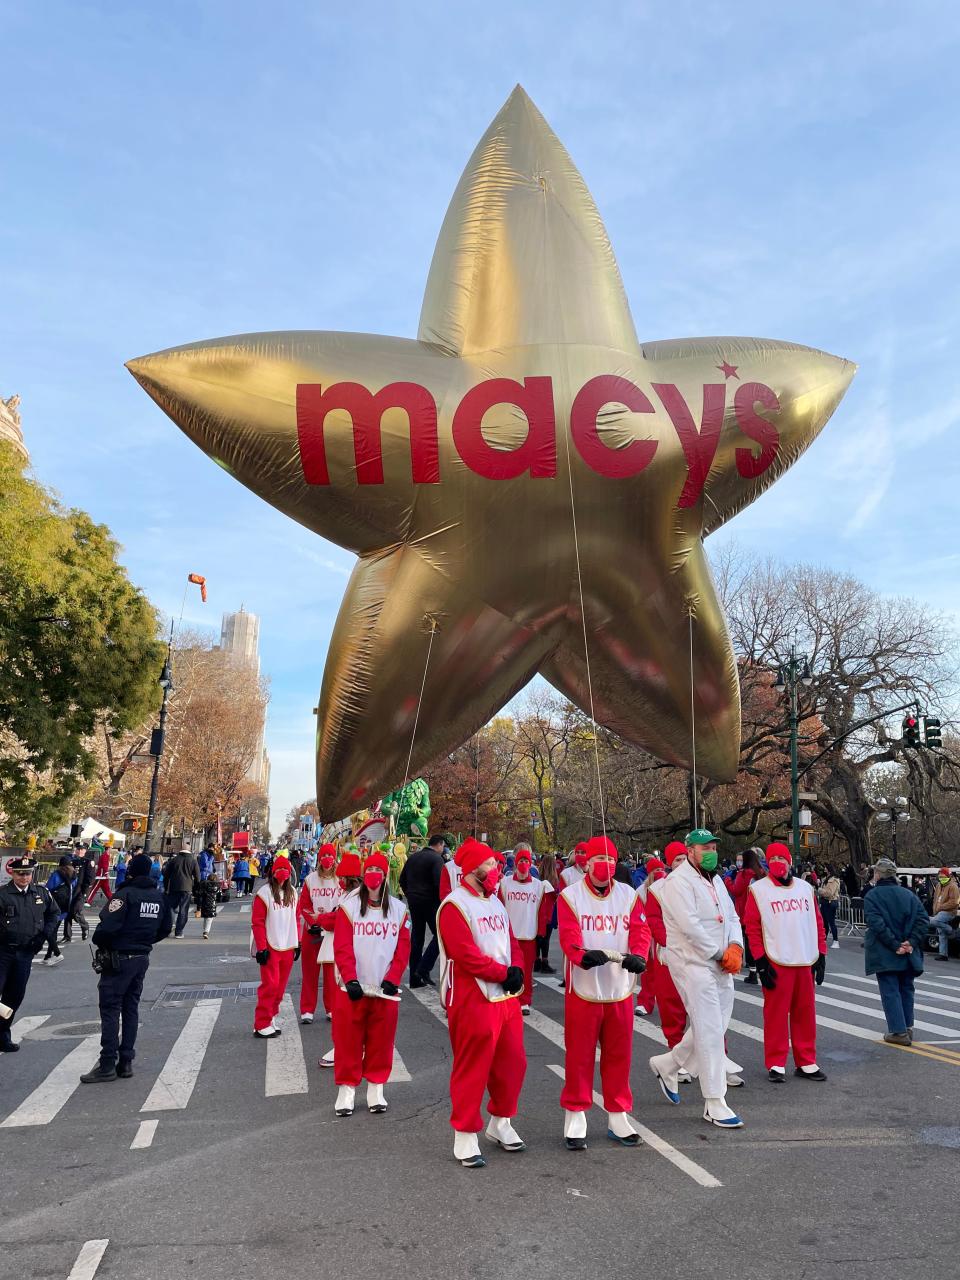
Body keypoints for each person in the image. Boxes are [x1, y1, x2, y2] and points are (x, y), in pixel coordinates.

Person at [437, 837, 526, 1168]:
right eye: (490, 864)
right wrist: (502, 972)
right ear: (473, 868)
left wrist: (514, 968)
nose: (495, 869)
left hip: (505, 996)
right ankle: (465, 1133)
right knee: (472, 1067)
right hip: (472, 996)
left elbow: (510, 938)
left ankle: (501, 1121)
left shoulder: (496, 901)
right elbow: (465, 954)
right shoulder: (454, 905)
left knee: (513, 1063)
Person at [557, 835, 650, 1150]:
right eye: (600, 860)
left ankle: (618, 1114)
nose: (606, 866)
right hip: (584, 989)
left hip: (620, 989)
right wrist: (581, 955)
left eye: (611, 860)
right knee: (580, 1055)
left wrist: (639, 954)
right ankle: (575, 1114)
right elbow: (569, 935)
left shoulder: (628, 894)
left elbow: (639, 929)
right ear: (587, 863)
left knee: (619, 1056)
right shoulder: (570, 896)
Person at [650, 829, 745, 1129]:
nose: (711, 851)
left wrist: (736, 946)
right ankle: (715, 1101)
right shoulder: (677, 883)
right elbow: (689, 927)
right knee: (709, 1031)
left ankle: (668, 1064)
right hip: (693, 964)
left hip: (721, 963)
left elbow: (731, 917)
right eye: (705, 847)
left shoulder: (715, 879)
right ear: (690, 850)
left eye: (714, 846)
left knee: (718, 1023)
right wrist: (720, 953)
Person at [79, 853, 173, 1082]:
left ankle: (107, 1063)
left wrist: (103, 941)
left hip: (119, 957)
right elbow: (165, 928)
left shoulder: (125, 894)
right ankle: (126, 1061)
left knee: (110, 1010)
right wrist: (144, 942)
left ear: (131, 870)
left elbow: (107, 928)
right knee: (131, 1009)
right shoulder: (158, 897)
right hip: (141, 957)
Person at [331, 850, 411, 1116]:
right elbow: (342, 945)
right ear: (364, 876)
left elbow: (403, 948)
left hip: (384, 989)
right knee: (347, 1040)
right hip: (352, 988)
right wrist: (350, 977)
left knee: (382, 1039)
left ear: (386, 876)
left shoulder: (399, 910)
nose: (373, 876)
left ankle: (376, 1087)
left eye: (378, 871)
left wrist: (393, 978)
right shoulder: (349, 906)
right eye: (369, 871)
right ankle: (347, 1089)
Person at [743, 844, 828, 1084]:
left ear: (790, 860)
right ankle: (776, 1062)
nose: (779, 861)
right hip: (776, 959)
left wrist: (821, 954)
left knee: (805, 1013)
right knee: (776, 1014)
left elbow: (817, 922)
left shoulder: (805, 888)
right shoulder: (758, 890)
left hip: (804, 958)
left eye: (782, 857)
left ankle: (806, 1060)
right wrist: (759, 960)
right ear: (767, 862)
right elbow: (753, 927)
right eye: (774, 858)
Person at [864, 857, 929, 1044]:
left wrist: (895, 945)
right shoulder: (909, 895)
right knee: (906, 989)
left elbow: (877, 924)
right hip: (908, 953)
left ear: (878, 874)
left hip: (885, 953)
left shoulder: (872, 896)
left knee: (890, 991)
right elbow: (923, 920)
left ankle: (898, 1031)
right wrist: (911, 942)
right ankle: (907, 1027)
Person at [0, 855, 58, 1051]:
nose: (24, 877)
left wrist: (43, 936)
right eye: (20, 874)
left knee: (14, 997)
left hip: (25, 953)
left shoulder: (40, 893)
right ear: (13, 874)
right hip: (3, 951)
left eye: (27, 874)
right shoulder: (3, 894)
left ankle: (2, 1035)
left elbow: (53, 914)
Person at [643, 846, 689, 1053]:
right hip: (670, 956)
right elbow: (653, 920)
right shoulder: (657, 889)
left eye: (685, 858)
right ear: (670, 863)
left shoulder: (705, 883)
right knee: (672, 1010)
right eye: (677, 860)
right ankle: (677, 1055)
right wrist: (670, 943)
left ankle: (716, 1060)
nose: (682, 863)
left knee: (707, 1013)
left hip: (700, 958)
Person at [498, 847, 554, 1014]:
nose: (523, 864)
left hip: (529, 935)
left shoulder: (538, 886)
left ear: (530, 864)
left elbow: (546, 908)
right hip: (509, 936)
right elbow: (499, 905)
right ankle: (509, 997)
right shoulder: (505, 883)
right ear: (515, 864)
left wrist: (542, 929)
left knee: (527, 971)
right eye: (520, 861)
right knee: (508, 968)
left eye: (526, 861)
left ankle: (524, 1001)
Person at [251, 851, 301, 1038]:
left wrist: (298, 942)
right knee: (270, 986)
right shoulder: (264, 894)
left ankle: (271, 1017)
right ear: (273, 872)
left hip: (287, 945)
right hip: (271, 945)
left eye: (285, 869)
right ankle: (261, 1022)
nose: (282, 872)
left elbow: (296, 919)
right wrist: (261, 948)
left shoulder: (293, 893)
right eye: (279, 869)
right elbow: (257, 922)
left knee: (280, 988)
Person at [298, 843, 343, 1023]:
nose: (327, 860)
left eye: (330, 856)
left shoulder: (340, 880)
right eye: (323, 856)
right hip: (312, 932)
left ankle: (331, 1008)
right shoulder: (310, 879)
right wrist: (314, 922)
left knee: (331, 973)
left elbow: (344, 904)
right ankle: (307, 1010)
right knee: (309, 972)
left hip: (333, 931)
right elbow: (305, 906)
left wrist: (330, 921)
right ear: (319, 859)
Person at [399, 833, 445, 988]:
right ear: (439, 844)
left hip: (414, 902)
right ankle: (424, 968)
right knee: (440, 936)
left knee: (417, 939)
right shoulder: (437, 859)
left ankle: (414, 978)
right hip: (431, 902)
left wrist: (410, 895)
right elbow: (439, 883)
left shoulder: (413, 857)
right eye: (443, 846)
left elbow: (402, 879)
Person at [731, 847, 764, 984]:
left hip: (745, 912)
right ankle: (761, 968)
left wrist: (727, 881)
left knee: (750, 942)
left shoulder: (743, 874)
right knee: (760, 940)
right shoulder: (762, 873)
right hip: (762, 912)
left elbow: (736, 890)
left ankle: (752, 971)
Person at [42, 857, 77, 966]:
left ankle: (57, 953)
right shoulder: (74, 876)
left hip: (54, 907)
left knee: (47, 930)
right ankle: (48, 956)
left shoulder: (57, 875)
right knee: (54, 930)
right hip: (65, 907)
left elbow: (48, 888)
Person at [163, 844, 201, 937]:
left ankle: (170, 926)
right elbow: (197, 877)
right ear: (190, 850)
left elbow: (166, 875)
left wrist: (166, 888)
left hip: (173, 887)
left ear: (181, 850)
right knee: (183, 910)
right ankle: (179, 931)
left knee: (171, 908)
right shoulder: (193, 861)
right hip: (187, 888)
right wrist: (196, 888)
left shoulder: (174, 860)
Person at [534, 852, 560, 974]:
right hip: (550, 911)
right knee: (546, 938)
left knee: (538, 936)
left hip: (538, 910)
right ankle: (545, 961)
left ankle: (537, 960)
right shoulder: (554, 880)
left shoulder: (538, 878)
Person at [928, 867, 959, 962]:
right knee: (942, 933)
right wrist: (935, 909)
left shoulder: (953, 886)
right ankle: (943, 954)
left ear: (948, 876)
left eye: (943, 876)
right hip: (939, 911)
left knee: (933, 921)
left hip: (949, 911)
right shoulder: (938, 885)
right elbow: (935, 899)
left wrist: (941, 907)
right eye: (940, 876)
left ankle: (951, 931)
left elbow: (954, 902)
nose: (941, 878)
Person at [818, 868, 842, 950]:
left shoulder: (834, 880)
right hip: (825, 902)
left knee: (831, 922)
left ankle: (836, 941)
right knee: (824, 923)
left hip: (830, 902)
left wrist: (820, 890)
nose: (824, 869)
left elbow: (829, 893)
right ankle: (823, 940)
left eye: (826, 867)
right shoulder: (826, 879)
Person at [196, 871, 219, 939]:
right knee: (210, 919)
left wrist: (198, 908)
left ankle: (205, 930)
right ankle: (206, 932)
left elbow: (199, 895)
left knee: (206, 918)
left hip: (204, 904)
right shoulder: (216, 887)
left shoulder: (204, 885)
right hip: (212, 905)